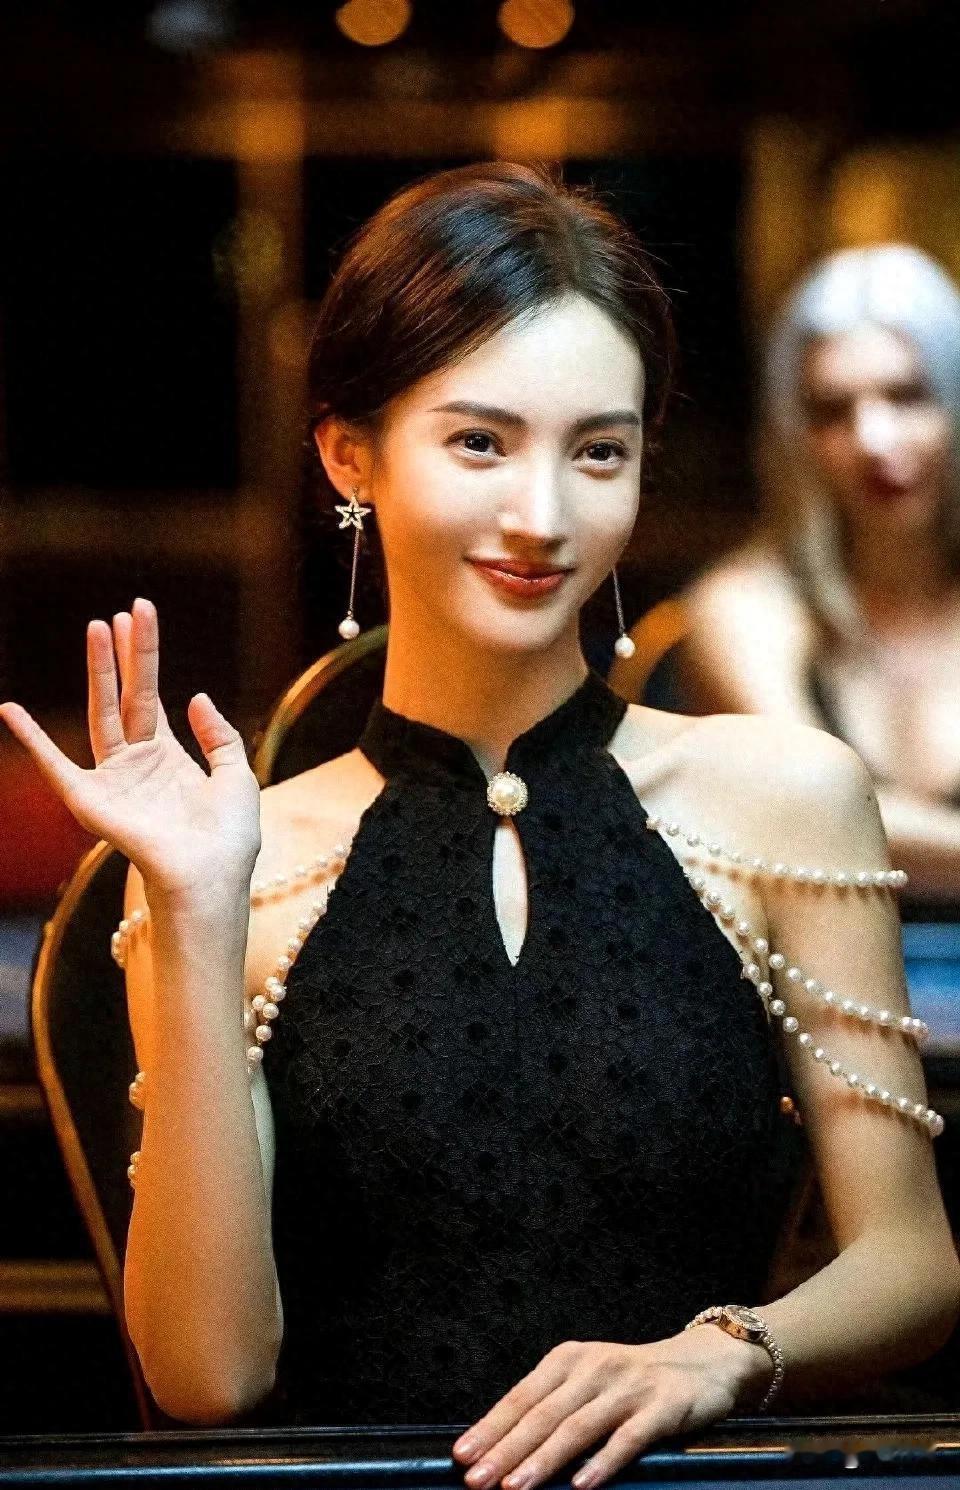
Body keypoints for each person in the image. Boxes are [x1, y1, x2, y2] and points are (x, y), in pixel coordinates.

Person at [1, 165, 957, 1477]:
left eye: (599, 451)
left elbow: (913, 1262)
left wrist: (723, 1349)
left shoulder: (787, 797)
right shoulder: (245, 858)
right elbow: (209, 1374)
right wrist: (198, 905)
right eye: (480, 443)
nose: (543, 516)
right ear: (349, 452)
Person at [681, 244, 960, 911]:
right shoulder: (742, 608)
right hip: (812, 973)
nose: (873, 439)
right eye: (833, 411)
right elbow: (817, 812)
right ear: (794, 435)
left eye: (908, 396)